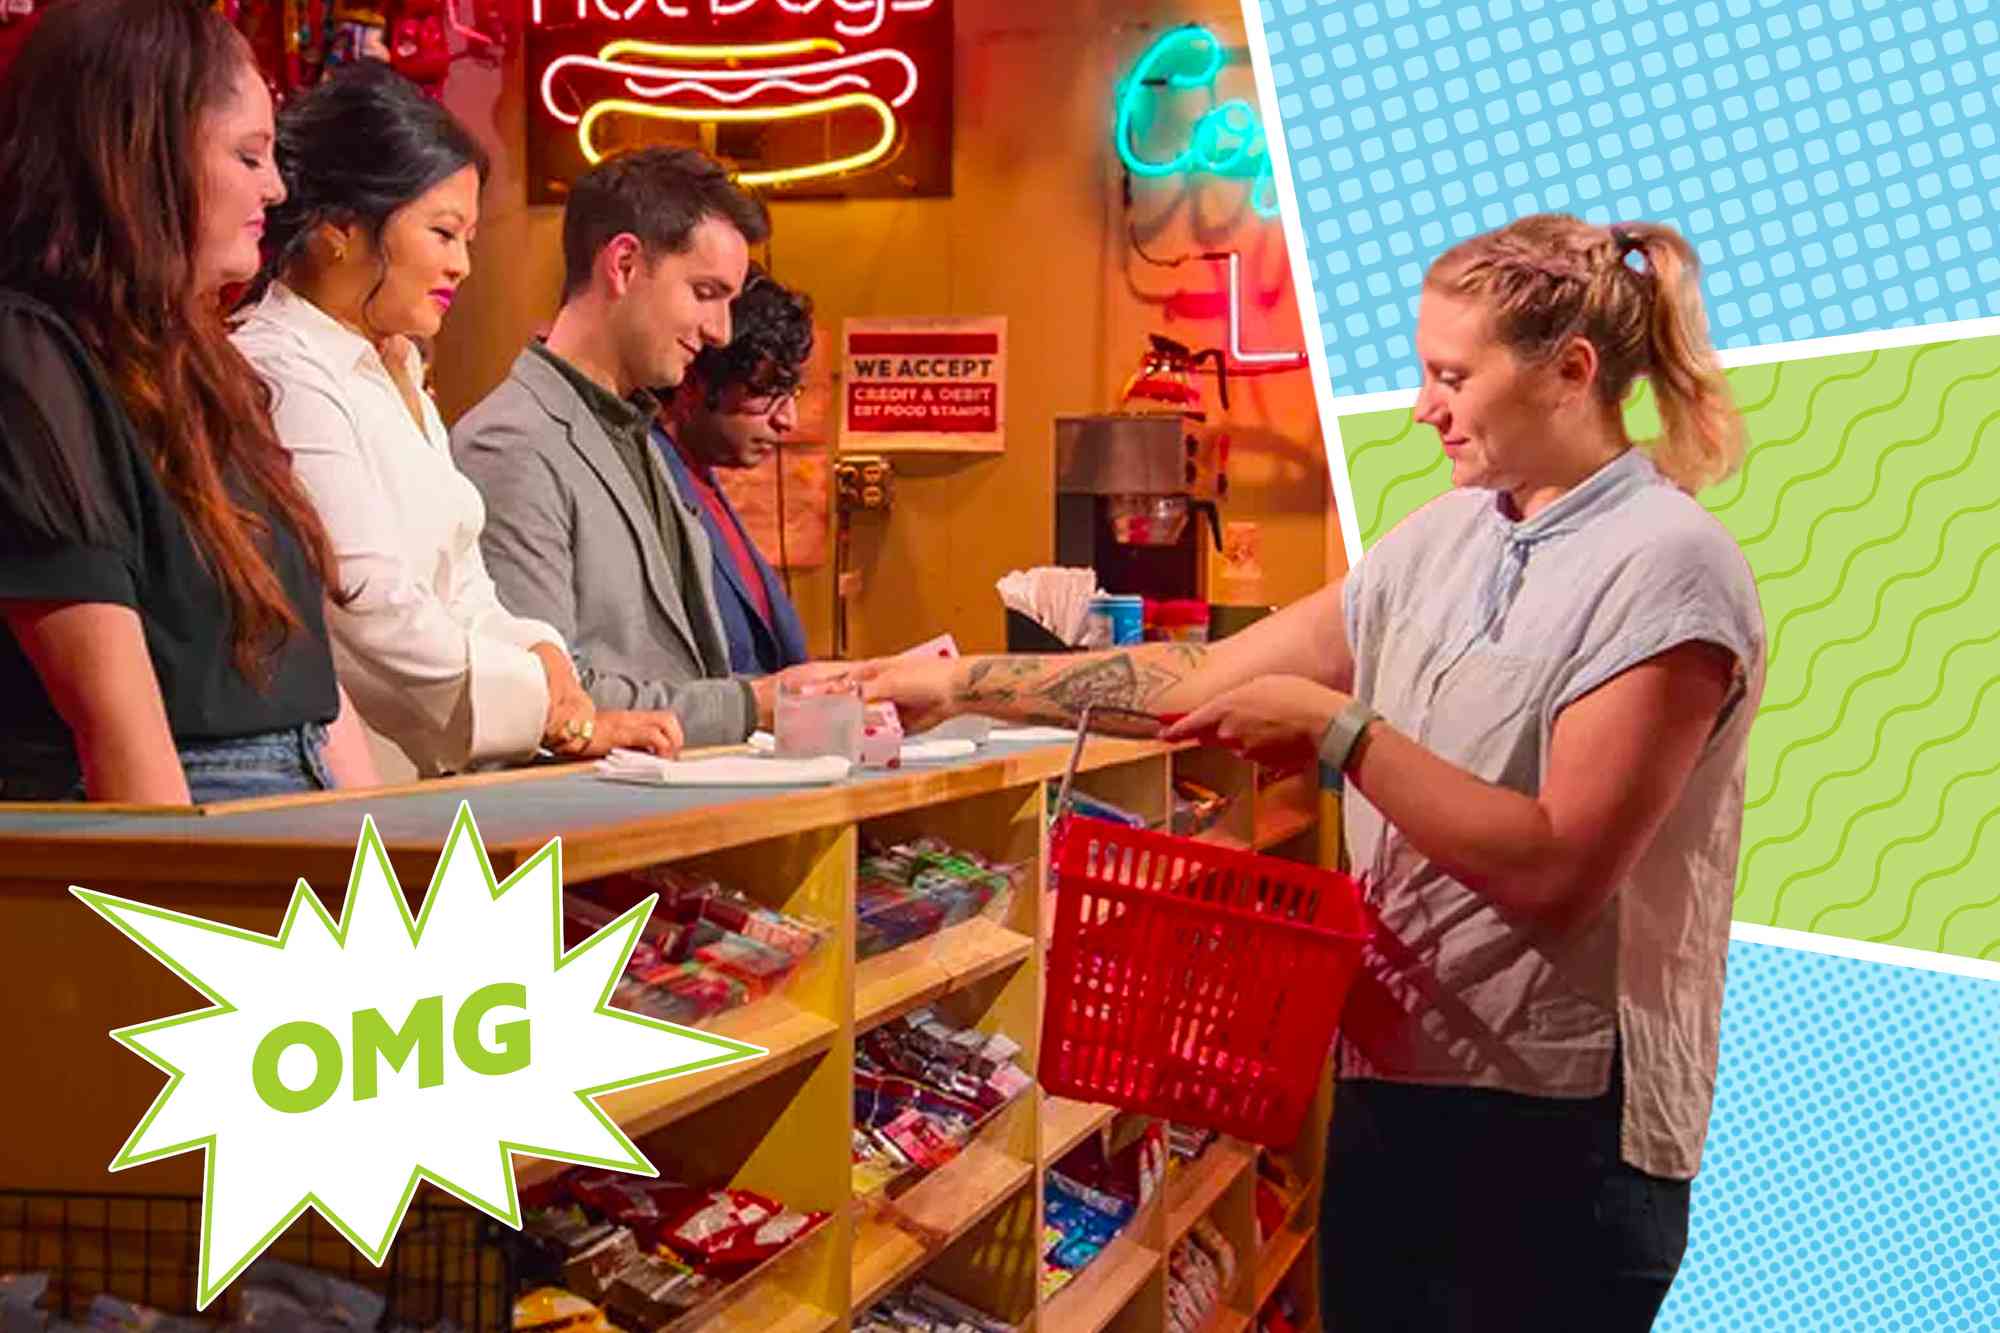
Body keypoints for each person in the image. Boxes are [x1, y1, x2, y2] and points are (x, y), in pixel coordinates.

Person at [868, 214, 1766, 1330]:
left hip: (1558, 1133)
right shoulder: (1443, 539)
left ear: (1570, 373)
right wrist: (955, 685)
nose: (1421, 406)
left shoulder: (1667, 569)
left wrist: (1342, 733)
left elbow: (1553, 867)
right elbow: (1198, 675)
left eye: (1450, 375)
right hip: (1395, 1086)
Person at [233, 62, 681, 782]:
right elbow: (369, 604)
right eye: (443, 233)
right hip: (338, 783)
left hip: (430, 775)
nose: (463, 266)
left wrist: (542, 657)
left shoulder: (397, 365)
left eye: (468, 237)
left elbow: (463, 585)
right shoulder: (280, 366)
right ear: (340, 226)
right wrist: (551, 705)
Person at [0, 0, 377, 804]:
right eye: (249, 156)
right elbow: (117, 733)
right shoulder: (30, 358)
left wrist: (393, 867)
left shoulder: (209, 363)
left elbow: (311, 679)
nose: (276, 188)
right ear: (141, 157)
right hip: (194, 812)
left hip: (302, 799)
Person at [453, 147, 778, 747]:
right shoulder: (510, 444)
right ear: (624, 264)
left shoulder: (638, 435)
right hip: (577, 827)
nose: (721, 332)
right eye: (705, 292)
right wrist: (755, 705)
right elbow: (547, 697)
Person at [652, 265, 812, 677]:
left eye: (792, 393)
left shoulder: (699, 477)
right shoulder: (652, 483)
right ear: (693, 384)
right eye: (764, 394)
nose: (787, 420)